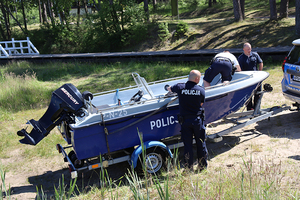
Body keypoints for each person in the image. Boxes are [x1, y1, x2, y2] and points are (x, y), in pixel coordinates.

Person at [167, 70, 207, 171]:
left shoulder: (180, 87)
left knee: (187, 145)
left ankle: (189, 168)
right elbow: (201, 104)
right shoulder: (201, 90)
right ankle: (202, 166)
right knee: (200, 143)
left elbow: (169, 88)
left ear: (189, 77)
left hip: (185, 121)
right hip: (197, 121)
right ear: (197, 79)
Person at [238, 42, 263, 110]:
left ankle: (257, 108)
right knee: (248, 95)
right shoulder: (241, 58)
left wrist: (260, 72)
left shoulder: (255, 55)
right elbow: (239, 69)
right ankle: (249, 109)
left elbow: (260, 62)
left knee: (258, 93)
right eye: (247, 49)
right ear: (244, 49)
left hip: (256, 77)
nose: (249, 51)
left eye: (250, 49)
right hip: (247, 79)